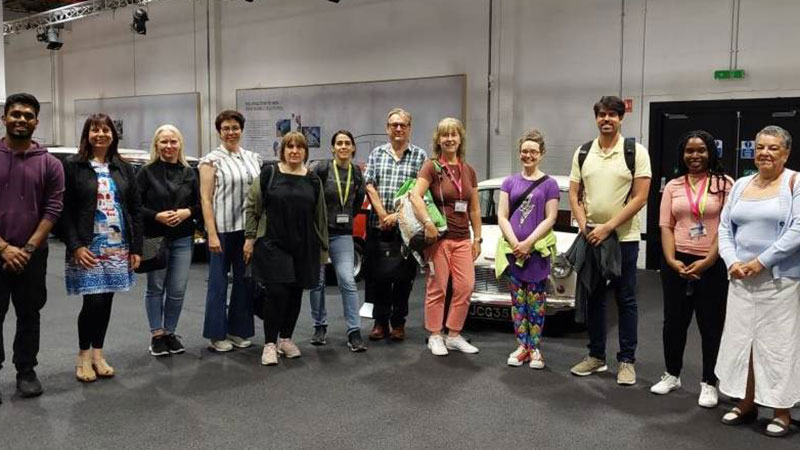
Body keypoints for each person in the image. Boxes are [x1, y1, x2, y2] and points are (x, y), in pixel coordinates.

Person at [716, 125, 800, 438]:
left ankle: (781, 411)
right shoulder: (740, 185)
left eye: (773, 148)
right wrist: (732, 261)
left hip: (778, 281)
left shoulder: (795, 182)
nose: (764, 153)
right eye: (760, 147)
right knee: (741, 343)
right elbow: (725, 228)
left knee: (778, 345)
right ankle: (746, 401)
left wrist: (761, 262)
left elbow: (798, 230)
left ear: (786, 152)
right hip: (740, 279)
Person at [568, 95, 651, 385]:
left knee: (625, 298)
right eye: (602, 114)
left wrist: (609, 227)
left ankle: (626, 360)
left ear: (621, 118)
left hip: (623, 238)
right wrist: (584, 225)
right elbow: (574, 193)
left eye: (612, 115)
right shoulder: (583, 152)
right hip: (591, 237)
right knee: (594, 298)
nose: (606, 119)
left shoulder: (635, 152)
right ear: (596, 118)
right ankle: (596, 357)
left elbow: (641, 196)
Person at [651, 130, 732, 408]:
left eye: (701, 150)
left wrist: (709, 260)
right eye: (689, 151)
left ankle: (709, 382)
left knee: (710, 324)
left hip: (713, 262)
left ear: (711, 152)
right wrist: (672, 261)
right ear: (682, 155)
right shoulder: (673, 186)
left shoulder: (725, 184)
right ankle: (672, 374)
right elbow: (666, 225)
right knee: (674, 322)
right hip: (677, 262)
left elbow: (727, 226)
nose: (695, 156)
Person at [62, 114, 142, 382]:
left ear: (113, 135)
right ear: (87, 135)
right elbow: (65, 212)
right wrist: (75, 246)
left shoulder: (122, 167)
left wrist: (136, 248)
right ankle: (83, 356)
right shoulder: (74, 166)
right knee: (93, 301)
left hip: (118, 246)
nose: (101, 135)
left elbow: (135, 210)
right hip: (88, 247)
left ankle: (98, 354)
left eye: (106, 130)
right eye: (95, 130)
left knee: (106, 301)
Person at [0, 93, 64, 401]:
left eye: (28, 115)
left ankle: (26, 370)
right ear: (5, 118)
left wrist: (26, 250)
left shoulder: (50, 164)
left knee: (29, 314)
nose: (21, 120)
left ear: (36, 122)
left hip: (32, 256)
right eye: (16, 114)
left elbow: (53, 209)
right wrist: (3, 248)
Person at [244, 132, 327, 366]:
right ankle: (270, 344)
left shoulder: (312, 180)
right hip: (272, 243)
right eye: (289, 146)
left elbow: (319, 216)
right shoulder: (269, 174)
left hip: (304, 245)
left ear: (305, 152)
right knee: (277, 292)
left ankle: (286, 339)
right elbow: (253, 206)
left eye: (299, 147)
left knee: (294, 293)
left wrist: (323, 249)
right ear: (282, 150)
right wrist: (250, 238)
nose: (294, 151)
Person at [410, 118, 482, 356]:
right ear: (438, 140)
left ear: (460, 139)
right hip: (439, 238)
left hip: (463, 239)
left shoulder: (468, 171)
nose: (449, 139)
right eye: (444, 135)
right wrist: (428, 223)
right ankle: (435, 335)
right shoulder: (431, 166)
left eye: (454, 134)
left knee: (465, 287)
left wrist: (477, 239)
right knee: (438, 287)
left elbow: (474, 209)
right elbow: (415, 196)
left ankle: (453, 334)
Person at [199, 110, 261, 352]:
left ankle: (238, 330)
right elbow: (205, 199)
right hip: (222, 231)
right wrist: (211, 234)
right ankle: (216, 335)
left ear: (241, 129)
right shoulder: (210, 160)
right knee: (217, 283)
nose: (231, 132)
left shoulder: (253, 158)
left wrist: (253, 235)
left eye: (235, 127)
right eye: (226, 128)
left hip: (247, 231)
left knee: (244, 282)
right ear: (219, 131)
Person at [496, 130, 559, 368]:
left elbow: (550, 218)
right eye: (524, 151)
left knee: (536, 303)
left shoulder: (550, 184)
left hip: (536, 255)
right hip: (514, 253)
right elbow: (502, 216)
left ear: (541, 154)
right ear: (519, 153)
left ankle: (535, 349)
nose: (528, 155)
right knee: (517, 303)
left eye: (533, 151)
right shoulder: (509, 182)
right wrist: (515, 244)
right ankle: (522, 346)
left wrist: (528, 243)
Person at [136, 125, 201, 357]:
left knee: (177, 290)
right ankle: (157, 335)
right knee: (155, 288)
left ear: (180, 144)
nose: (169, 146)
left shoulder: (189, 173)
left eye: (173, 142)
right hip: (154, 237)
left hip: (183, 238)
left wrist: (187, 213)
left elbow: (200, 204)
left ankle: (170, 333)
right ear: (157, 145)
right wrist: (156, 216)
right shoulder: (146, 172)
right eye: (164, 142)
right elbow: (135, 206)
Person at [364, 108, 427, 341]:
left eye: (403, 125)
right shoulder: (376, 153)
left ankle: (398, 323)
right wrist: (382, 214)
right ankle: (380, 323)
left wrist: (396, 216)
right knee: (378, 278)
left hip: (407, 228)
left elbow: (418, 192)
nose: (398, 128)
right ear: (387, 128)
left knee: (403, 279)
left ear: (409, 128)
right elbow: (369, 184)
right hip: (378, 226)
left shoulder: (420, 156)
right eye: (394, 125)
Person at [308, 130, 367, 352]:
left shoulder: (357, 173)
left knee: (347, 280)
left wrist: (345, 219)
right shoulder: (321, 169)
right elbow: (309, 195)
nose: (343, 146)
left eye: (347, 143)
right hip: (319, 233)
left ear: (352, 148)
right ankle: (319, 326)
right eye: (339, 143)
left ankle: (354, 331)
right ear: (332, 148)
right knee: (317, 283)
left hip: (343, 234)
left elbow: (357, 201)